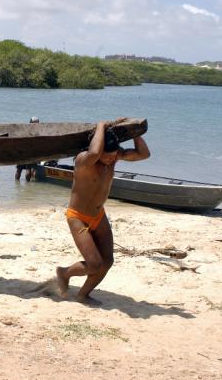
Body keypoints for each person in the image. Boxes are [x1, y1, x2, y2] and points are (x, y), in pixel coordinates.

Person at [56, 119, 150, 304]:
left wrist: (135, 132)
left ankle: (83, 294)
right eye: (106, 156)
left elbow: (143, 154)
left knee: (107, 262)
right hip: (78, 218)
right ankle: (64, 272)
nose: (110, 159)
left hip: (98, 216)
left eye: (114, 156)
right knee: (94, 264)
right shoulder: (83, 160)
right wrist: (101, 125)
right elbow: (94, 153)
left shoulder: (113, 157)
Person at [15, 117, 40, 182]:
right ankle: (28, 186)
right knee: (28, 169)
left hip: (22, 152)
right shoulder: (38, 131)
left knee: (19, 169)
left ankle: (16, 184)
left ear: (30, 122)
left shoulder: (25, 129)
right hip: (30, 152)